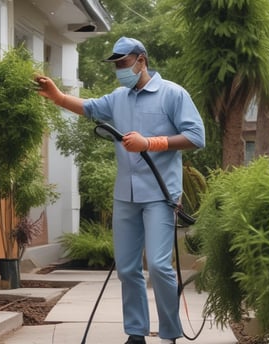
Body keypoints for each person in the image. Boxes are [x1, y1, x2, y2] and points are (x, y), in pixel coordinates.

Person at [35, 37, 205, 344]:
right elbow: (88, 108)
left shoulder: (173, 94)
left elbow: (196, 136)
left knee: (157, 265)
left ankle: (169, 333)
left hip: (160, 194)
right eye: (116, 65)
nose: (119, 70)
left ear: (142, 60)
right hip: (125, 195)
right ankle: (136, 333)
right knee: (127, 268)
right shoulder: (118, 98)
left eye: (123, 63)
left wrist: (152, 143)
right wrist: (58, 97)